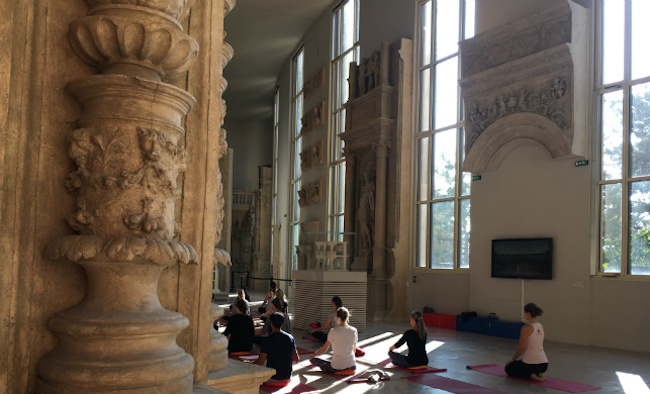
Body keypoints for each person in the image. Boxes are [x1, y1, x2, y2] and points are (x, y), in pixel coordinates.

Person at [505, 303, 548, 381]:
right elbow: (541, 343)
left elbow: (522, 347)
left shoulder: (526, 328)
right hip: (544, 364)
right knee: (521, 363)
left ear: (528, 313)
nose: (524, 314)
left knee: (509, 368)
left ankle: (531, 375)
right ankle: (538, 373)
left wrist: (512, 359)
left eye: (524, 312)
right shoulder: (540, 326)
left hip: (531, 364)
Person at [309, 307, 357, 373]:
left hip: (337, 367)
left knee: (314, 360)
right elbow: (354, 350)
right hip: (352, 365)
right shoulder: (354, 330)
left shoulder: (333, 331)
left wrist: (313, 355)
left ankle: (340, 370)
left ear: (338, 318)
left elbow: (324, 349)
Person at [254, 312, 299, 383]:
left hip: (273, 378)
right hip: (287, 376)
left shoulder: (268, 340)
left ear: (271, 324)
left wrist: (249, 364)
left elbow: (260, 363)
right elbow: (296, 359)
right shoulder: (290, 338)